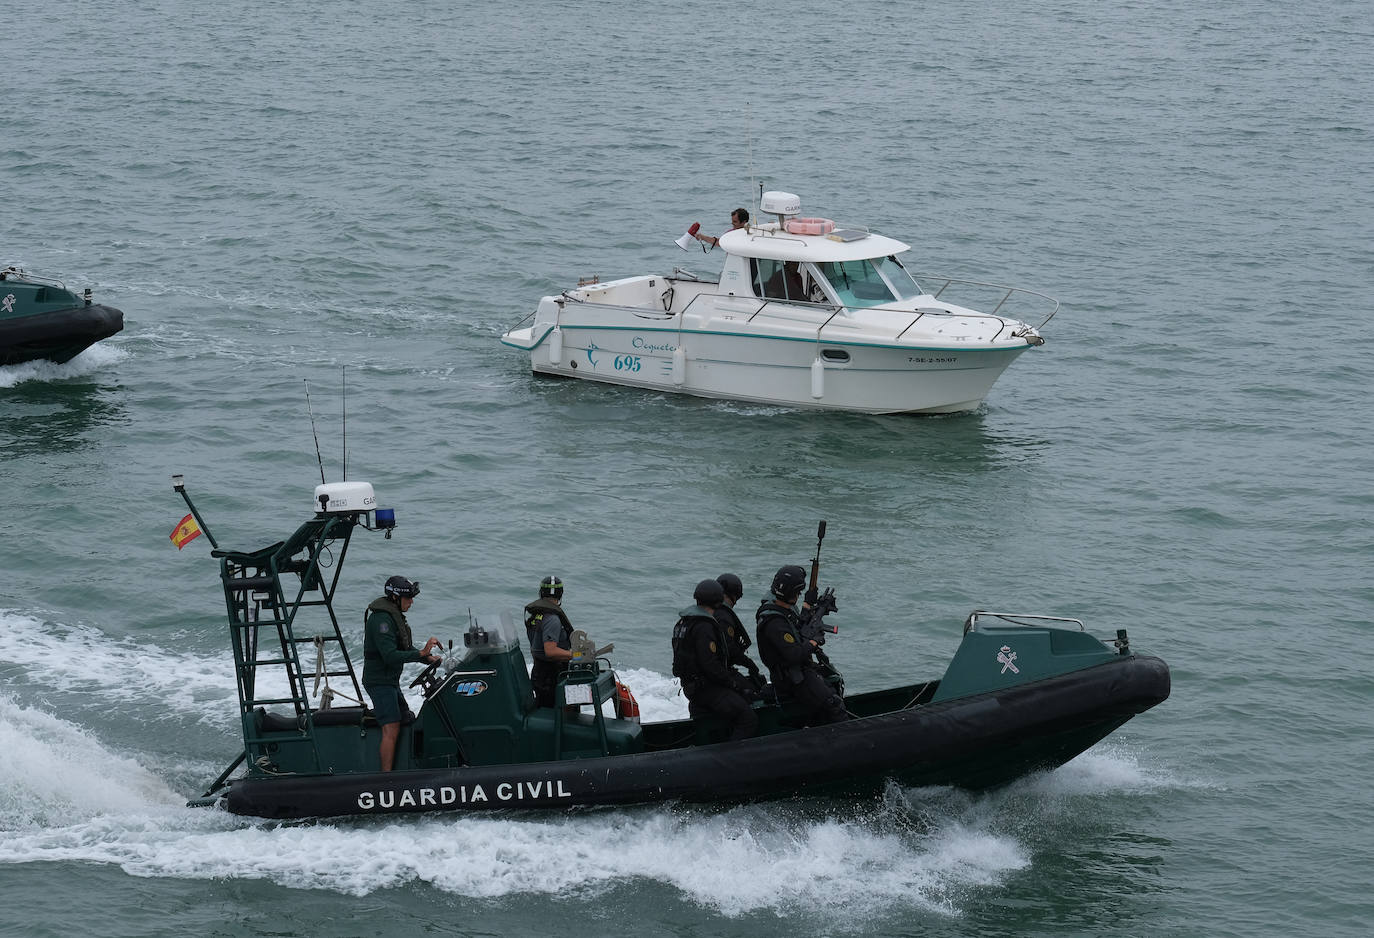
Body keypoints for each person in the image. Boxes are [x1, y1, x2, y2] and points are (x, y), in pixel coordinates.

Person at [362, 575, 442, 772]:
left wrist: (426, 658)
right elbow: (390, 656)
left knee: (405, 717)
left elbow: (403, 647)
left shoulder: (392, 617)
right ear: (395, 598)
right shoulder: (382, 621)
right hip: (380, 681)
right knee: (392, 727)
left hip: (389, 681)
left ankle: (406, 767)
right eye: (408, 598)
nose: (411, 602)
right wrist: (421, 653)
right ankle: (386, 779)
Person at [754, 565, 849, 726]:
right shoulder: (775, 623)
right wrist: (814, 641)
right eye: (797, 593)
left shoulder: (777, 607)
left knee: (832, 685)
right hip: (792, 678)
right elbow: (794, 654)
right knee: (834, 705)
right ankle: (848, 739)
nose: (798, 596)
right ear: (791, 593)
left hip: (797, 672)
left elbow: (797, 628)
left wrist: (808, 604)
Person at [672, 579, 758, 741]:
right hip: (707, 690)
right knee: (748, 719)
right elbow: (710, 664)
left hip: (691, 689)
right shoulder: (705, 626)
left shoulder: (683, 622)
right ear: (718, 601)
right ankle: (732, 759)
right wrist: (733, 684)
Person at [524, 574, 575, 708]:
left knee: (543, 711)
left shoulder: (536, 616)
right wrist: (575, 655)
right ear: (560, 594)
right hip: (551, 677)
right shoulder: (552, 619)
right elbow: (550, 651)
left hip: (539, 673)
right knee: (555, 714)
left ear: (541, 593)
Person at [714, 573, 764, 690]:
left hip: (712, 671)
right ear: (733, 595)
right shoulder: (723, 616)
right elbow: (730, 649)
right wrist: (749, 664)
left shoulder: (713, 612)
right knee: (754, 691)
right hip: (717, 673)